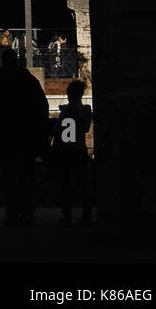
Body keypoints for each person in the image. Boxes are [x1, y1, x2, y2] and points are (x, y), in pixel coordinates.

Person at [0, 47, 50, 227]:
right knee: (26, 176)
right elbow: (42, 106)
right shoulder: (27, 79)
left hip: (6, 134)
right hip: (26, 134)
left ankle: (12, 213)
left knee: (9, 177)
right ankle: (27, 212)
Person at [53, 80, 92, 223]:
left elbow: (57, 131)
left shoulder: (66, 111)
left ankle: (67, 214)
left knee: (66, 184)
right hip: (79, 149)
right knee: (82, 183)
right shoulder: (86, 110)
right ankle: (86, 213)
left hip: (66, 150)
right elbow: (85, 127)